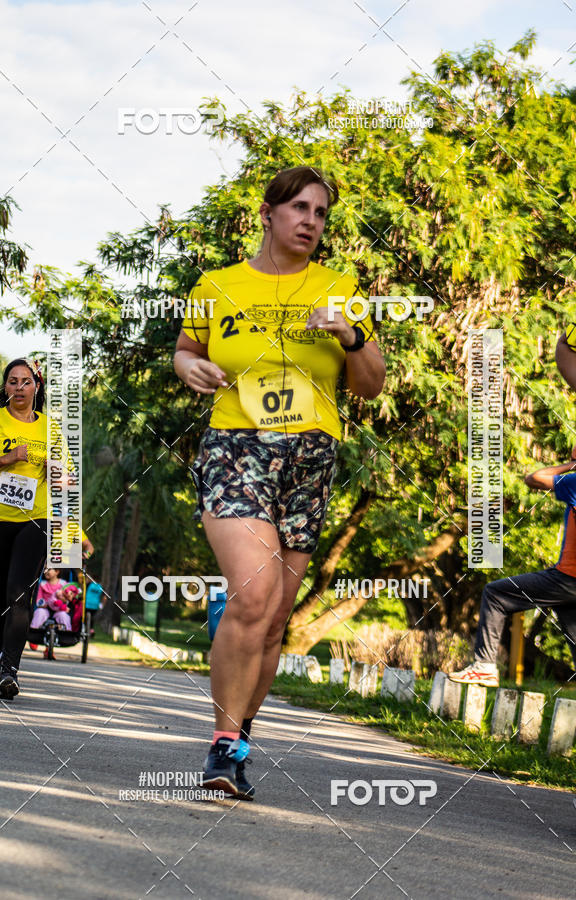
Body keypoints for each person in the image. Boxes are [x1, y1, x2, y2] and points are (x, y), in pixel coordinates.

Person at [173, 166, 386, 798]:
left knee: (273, 621)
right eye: (299, 207)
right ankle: (218, 744)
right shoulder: (217, 285)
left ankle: (237, 746)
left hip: (311, 458)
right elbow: (186, 348)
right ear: (267, 213)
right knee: (253, 593)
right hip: (236, 446)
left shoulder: (340, 289)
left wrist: (352, 335)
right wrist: (190, 367)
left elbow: (371, 385)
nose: (311, 222)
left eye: (321, 213)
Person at [449, 450, 576, 687]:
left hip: (567, 579)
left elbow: (535, 478)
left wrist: (570, 465)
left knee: (496, 594)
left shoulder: (574, 482)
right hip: (567, 589)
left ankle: (484, 667)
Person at [0, 358, 49, 699]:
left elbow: (68, 479)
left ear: (37, 387)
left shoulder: (52, 429)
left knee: (20, 593)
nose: (19, 388)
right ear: (5, 387)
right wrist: (7, 459)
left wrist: (60, 471)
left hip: (35, 519)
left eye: (26, 382)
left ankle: (10, 670)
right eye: (13, 381)